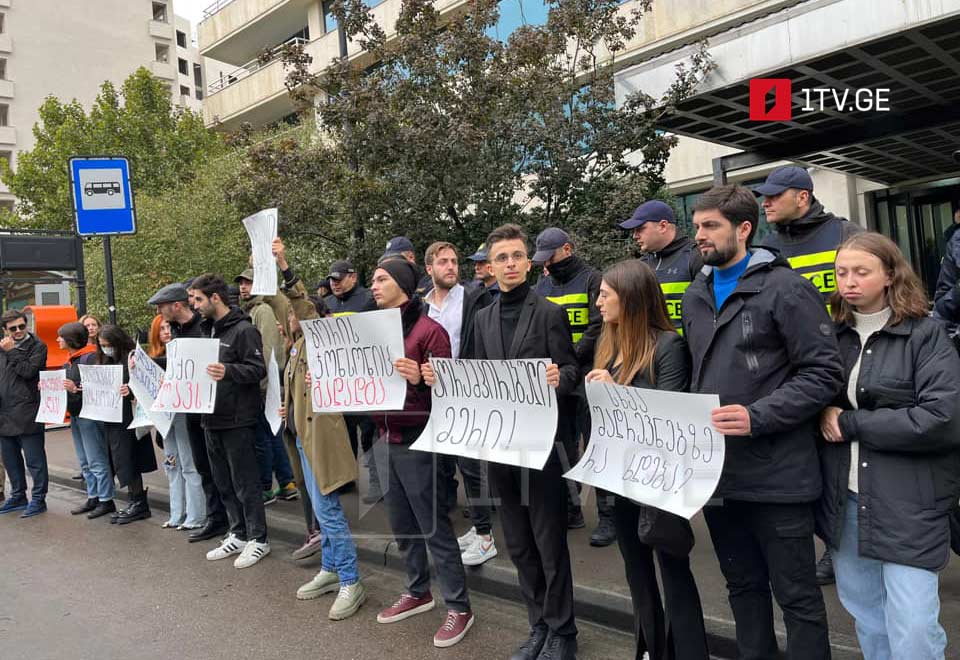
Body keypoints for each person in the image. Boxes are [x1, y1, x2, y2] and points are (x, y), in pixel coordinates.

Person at [682, 184, 844, 660]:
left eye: (710, 226)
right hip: (719, 477)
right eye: (696, 227)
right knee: (743, 589)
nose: (700, 236)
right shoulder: (696, 294)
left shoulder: (785, 289)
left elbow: (824, 373)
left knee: (797, 598)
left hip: (779, 477)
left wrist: (757, 416)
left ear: (744, 228)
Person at [817, 232, 960, 659]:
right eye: (842, 272)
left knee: (914, 625)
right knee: (870, 619)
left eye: (862, 272)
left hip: (910, 501)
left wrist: (851, 422)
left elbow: (942, 418)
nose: (849, 282)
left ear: (891, 274)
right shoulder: (832, 335)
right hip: (845, 501)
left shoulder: (926, 334)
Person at [453, 223, 580, 660]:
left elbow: (571, 372)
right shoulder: (482, 316)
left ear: (530, 262)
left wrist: (556, 378)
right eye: (501, 257)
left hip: (541, 450)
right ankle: (538, 625)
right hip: (499, 449)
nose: (509, 264)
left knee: (549, 543)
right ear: (491, 265)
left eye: (516, 256)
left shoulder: (549, 313)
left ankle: (564, 632)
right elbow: (468, 376)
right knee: (520, 544)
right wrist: (439, 378)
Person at [584, 259, 709, 660]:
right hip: (618, 480)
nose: (598, 302)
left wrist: (614, 389)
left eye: (605, 294)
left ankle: (688, 651)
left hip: (658, 485)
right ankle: (650, 649)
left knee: (673, 573)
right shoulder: (609, 345)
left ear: (631, 298)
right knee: (637, 575)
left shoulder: (668, 346)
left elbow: (668, 414)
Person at [756, 165, 863, 586]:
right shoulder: (766, 246)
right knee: (815, 469)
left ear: (802, 196)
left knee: (850, 469)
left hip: (850, 371)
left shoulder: (845, 234)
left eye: (774, 195)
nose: (766, 202)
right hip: (795, 377)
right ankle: (834, 548)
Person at [369, 258, 475, 649]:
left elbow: (450, 395)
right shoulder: (374, 330)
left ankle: (459, 606)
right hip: (385, 438)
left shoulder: (431, 331)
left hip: (419, 440)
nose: (374, 286)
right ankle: (417, 591)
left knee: (434, 527)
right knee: (402, 525)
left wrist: (420, 379)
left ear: (402, 283)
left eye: (381, 279)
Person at [273, 238, 366, 620]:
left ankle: (350, 579)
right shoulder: (296, 346)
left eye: (294, 315)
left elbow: (300, 304)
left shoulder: (317, 337)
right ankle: (329, 569)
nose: (289, 318)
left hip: (322, 441)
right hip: (304, 440)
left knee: (328, 512)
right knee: (320, 508)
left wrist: (283, 264)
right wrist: (289, 405)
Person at [421, 241, 497, 567]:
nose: (451, 266)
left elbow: (485, 341)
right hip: (434, 396)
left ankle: (485, 537)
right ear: (430, 269)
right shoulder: (421, 306)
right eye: (443, 262)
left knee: (472, 468)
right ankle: (475, 528)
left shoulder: (474, 298)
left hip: (468, 393)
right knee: (443, 467)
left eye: (454, 261)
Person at [532, 227, 608, 544]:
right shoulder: (542, 284)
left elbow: (598, 324)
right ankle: (571, 508)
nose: (545, 264)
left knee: (596, 446)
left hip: (588, 373)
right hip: (558, 377)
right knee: (562, 445)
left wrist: (573, 356)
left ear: (567, 249)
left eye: (549, 256)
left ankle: (609, 518)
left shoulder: (592, 279)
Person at [191, 273, 271, 569]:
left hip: (238, 418)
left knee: (245, 482)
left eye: (198, 299)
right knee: (223, 481)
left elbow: (257, 370)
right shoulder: (206, 330)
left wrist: (228, 371)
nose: (195, 305)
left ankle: (258, 538)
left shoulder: (243, 330)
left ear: (215, 298)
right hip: (210, 417)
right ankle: (237, 532)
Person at [149, 282, 229, 543]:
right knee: (202, 466)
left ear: (176, 305)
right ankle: (214, 519)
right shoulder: (176, 330)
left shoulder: (202, 328)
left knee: (217, 468)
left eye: (162, 307)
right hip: (190, 410)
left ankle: (226, 519)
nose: (160, 312)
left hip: (210, 409)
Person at [234, 268, 298, 506]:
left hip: (265, 384)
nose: (243, 287)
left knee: (264, 435)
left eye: (248, 282)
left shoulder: (262, 310)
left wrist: (262, 383)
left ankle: (266, 487)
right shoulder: (250, 310)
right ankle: (286, 482)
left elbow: (268, 349)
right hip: (265, 383)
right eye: (241, 283)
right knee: (272, 434)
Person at [323, 258, 380, 500]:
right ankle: (346, 479)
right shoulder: (326, 303)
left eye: (339, 279)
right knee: (343, 435)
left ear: (353, 277)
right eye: (331, 280)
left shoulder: (370, 299)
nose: (334, 284)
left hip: (366, 378)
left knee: (370, 433)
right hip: (340, 381)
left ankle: (378, 483)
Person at [146, 315, 206, 530]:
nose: (166, 331)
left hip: (183, 416)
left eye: (169, 327)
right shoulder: (152, 360)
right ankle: (176, 513)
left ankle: (196, 515)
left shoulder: (183, 355)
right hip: (164, 419)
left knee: (189, 465)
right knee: (171, 465)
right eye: (161, 328)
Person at [96, 325, 158, 524]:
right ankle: (134, 500)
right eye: (102, 345)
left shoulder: (131, 358)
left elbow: (145, 385)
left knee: (130, 459)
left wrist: (130, 391)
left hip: (129, 419)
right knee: (121, 460)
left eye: (108, 345)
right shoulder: (107, 360)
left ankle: (139, 502)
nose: (106, 349)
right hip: (113, 419)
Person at [59, 321, 115, 519]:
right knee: (85, 461)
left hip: (89, 416)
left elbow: (99, 386)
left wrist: (75, 389)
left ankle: (106, 499)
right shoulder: (72, 360)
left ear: (70, 340)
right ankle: (94, 496)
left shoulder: (90, 357)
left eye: (61, 337)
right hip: (77, 414)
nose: (58, 340)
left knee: (96, 459)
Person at [619, 199, 702, 332]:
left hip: (692, 351)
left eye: (640, 228)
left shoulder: (696, 257)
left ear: (663, 226)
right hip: (653, 351)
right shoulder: (641, 265)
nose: (634, 236)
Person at [0, 310, 49, 518]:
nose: (19, 331)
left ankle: (39, 499)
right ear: (5, 330)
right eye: (13, 328)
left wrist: (12, 351)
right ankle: (18, 496)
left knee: (35, 461)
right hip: (4, 413)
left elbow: (29, 371)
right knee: (11, 460)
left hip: (28, 412)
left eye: (22, 326)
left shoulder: (38, 346)